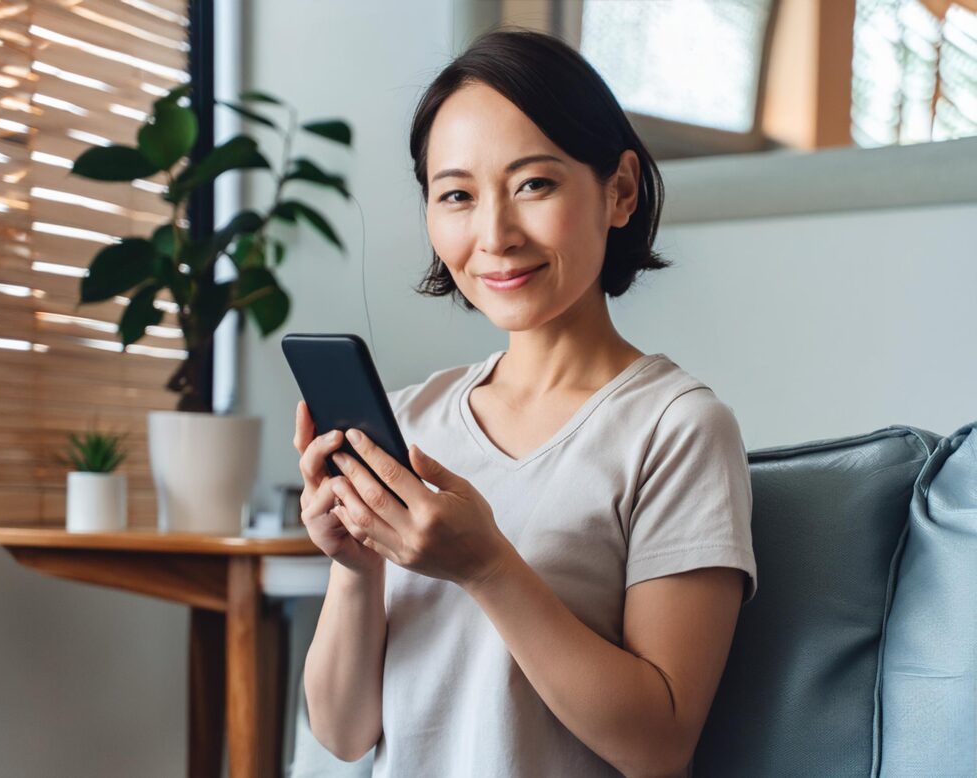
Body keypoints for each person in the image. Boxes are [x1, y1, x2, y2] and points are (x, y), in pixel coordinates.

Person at [293, 28, 757, 778]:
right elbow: (343, 736)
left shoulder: (676, 429)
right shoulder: (408, 420)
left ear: (621, 190)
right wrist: (355, 568)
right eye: (456, 196)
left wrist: (488, 568)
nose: (495, 235)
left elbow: (659, 745)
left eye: (533, 184)